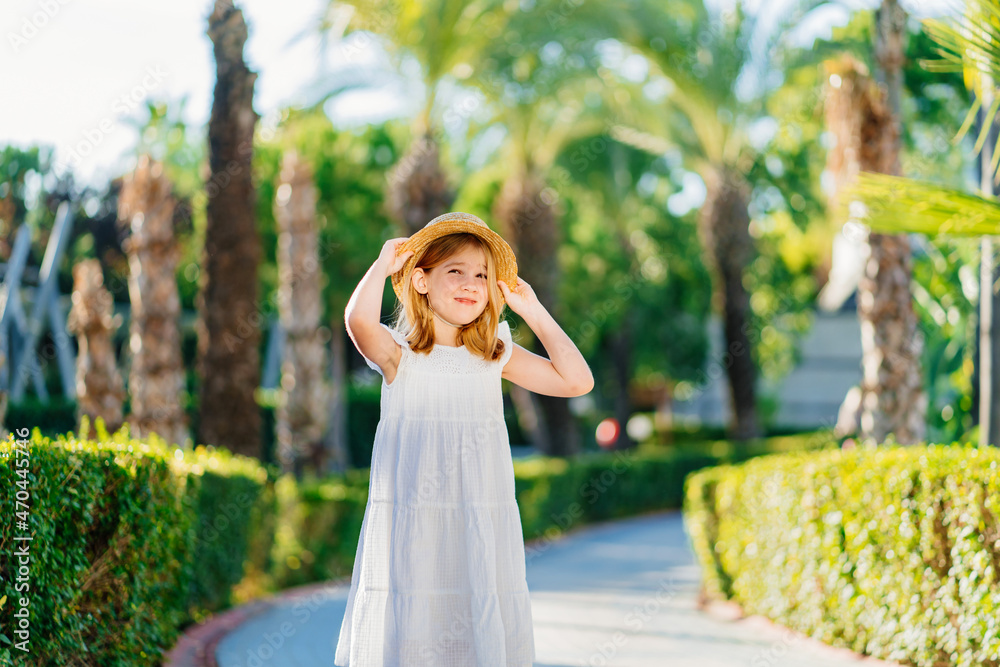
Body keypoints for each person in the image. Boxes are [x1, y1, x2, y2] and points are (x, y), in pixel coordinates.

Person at [335, 211, 594, 666]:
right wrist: (382, 266)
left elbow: (576, 382)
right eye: (455, 271)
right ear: (420, 281)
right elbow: (358, 321)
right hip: (416, 527)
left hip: (479, 525)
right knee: (416, 621)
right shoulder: (400, 355)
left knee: (476, 625)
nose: (471, 283)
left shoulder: (494, 354)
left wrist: (532, 310)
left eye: (481, 275)